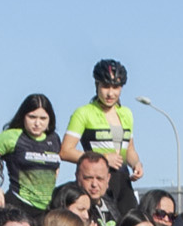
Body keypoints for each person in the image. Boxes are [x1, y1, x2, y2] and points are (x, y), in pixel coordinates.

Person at [60, 59, 141, 215]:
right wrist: (103, 158)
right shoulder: (83, 113)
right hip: (96, 180)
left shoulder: (126, 113)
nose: (110, 93)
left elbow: (129, 149)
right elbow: (65, 151)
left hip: (123, 181)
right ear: (96, 85)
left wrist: (136, 163)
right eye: (105, 86)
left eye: (116, 87)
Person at [0, 94, 61, 220]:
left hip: (46, 211)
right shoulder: (11, 136)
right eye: (32, 117)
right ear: (23, 116)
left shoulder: (54, 139)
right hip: (18, 207)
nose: (37, 123)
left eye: (43, 118)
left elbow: (55, 167)